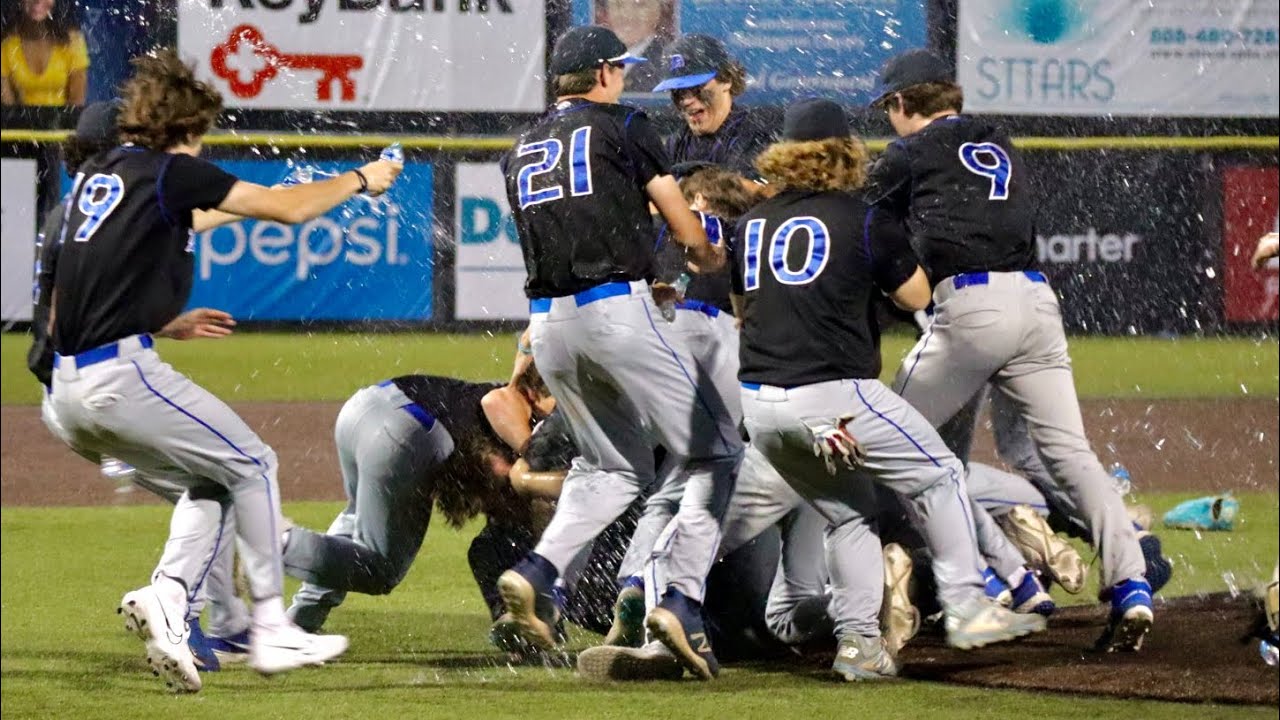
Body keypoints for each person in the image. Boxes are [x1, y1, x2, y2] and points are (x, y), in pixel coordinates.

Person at [47, 49, 401, 692]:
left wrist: (163, 320)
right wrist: (359, 179)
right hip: (119, 377)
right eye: (200, 132)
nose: (203, 145)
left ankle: (176, 600)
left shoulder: (101, 177)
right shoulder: (167, 171)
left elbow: (194, 222)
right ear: (183, 126)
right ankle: (269, 627)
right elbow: (286, 211)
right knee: (255, 463)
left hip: (65, 393)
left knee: (210, 481)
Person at [732, 98, 1047, 679]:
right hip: (833, 397)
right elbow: (916, 297)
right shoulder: (863, 218)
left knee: (849, 514)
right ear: (844, 154)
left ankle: (858, 647)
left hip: (762, 407)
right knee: (942, 474)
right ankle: (967, 603)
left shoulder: (752, 224)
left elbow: (743, 310)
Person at [867, 50, 1153, 652]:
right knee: (1071, 453)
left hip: (970, 308)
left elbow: (871, 225)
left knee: (887, 441)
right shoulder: (998, 139)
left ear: (900, 103)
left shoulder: (909, 152)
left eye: (888, 107)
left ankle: (993, 578)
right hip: (1037, 304)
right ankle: (1131, 582)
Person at [493, 25, 737, 681]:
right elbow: (682, 224)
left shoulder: (519, 148)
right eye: (620, 67)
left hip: (549, 324)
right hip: (615, 312)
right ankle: (682, 599)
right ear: (601, 73)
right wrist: (706, 254)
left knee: (609, 469)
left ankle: (538, 572)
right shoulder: (624, 125)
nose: (625, 77)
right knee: (716, 451)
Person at [26, 99, 253, 673]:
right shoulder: (105, 203)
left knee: (204, 492)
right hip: (96, 386)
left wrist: (163, 324)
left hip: (63, 391)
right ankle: (187, 614)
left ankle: (218, 623)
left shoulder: (78, 208)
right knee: (222, 481)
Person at [652, 34, 774, 181]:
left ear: (726, 80)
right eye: (677, 92)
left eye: (697, 88)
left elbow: (756, 193)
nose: (686, 101)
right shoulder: (676, 143)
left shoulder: (756, 135)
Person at [1, 0, 87, 106]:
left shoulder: (73, 42)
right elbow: (7, 110)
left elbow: (77, 104)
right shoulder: (6, 46)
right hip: (19, 122)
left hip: (63, 121)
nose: (38, 0)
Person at [592, 0, 674, 92]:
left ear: (660, 10)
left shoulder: (668, 60)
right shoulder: (595, 56)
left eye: (640, 4)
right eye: (619, 4)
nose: (627, 14)